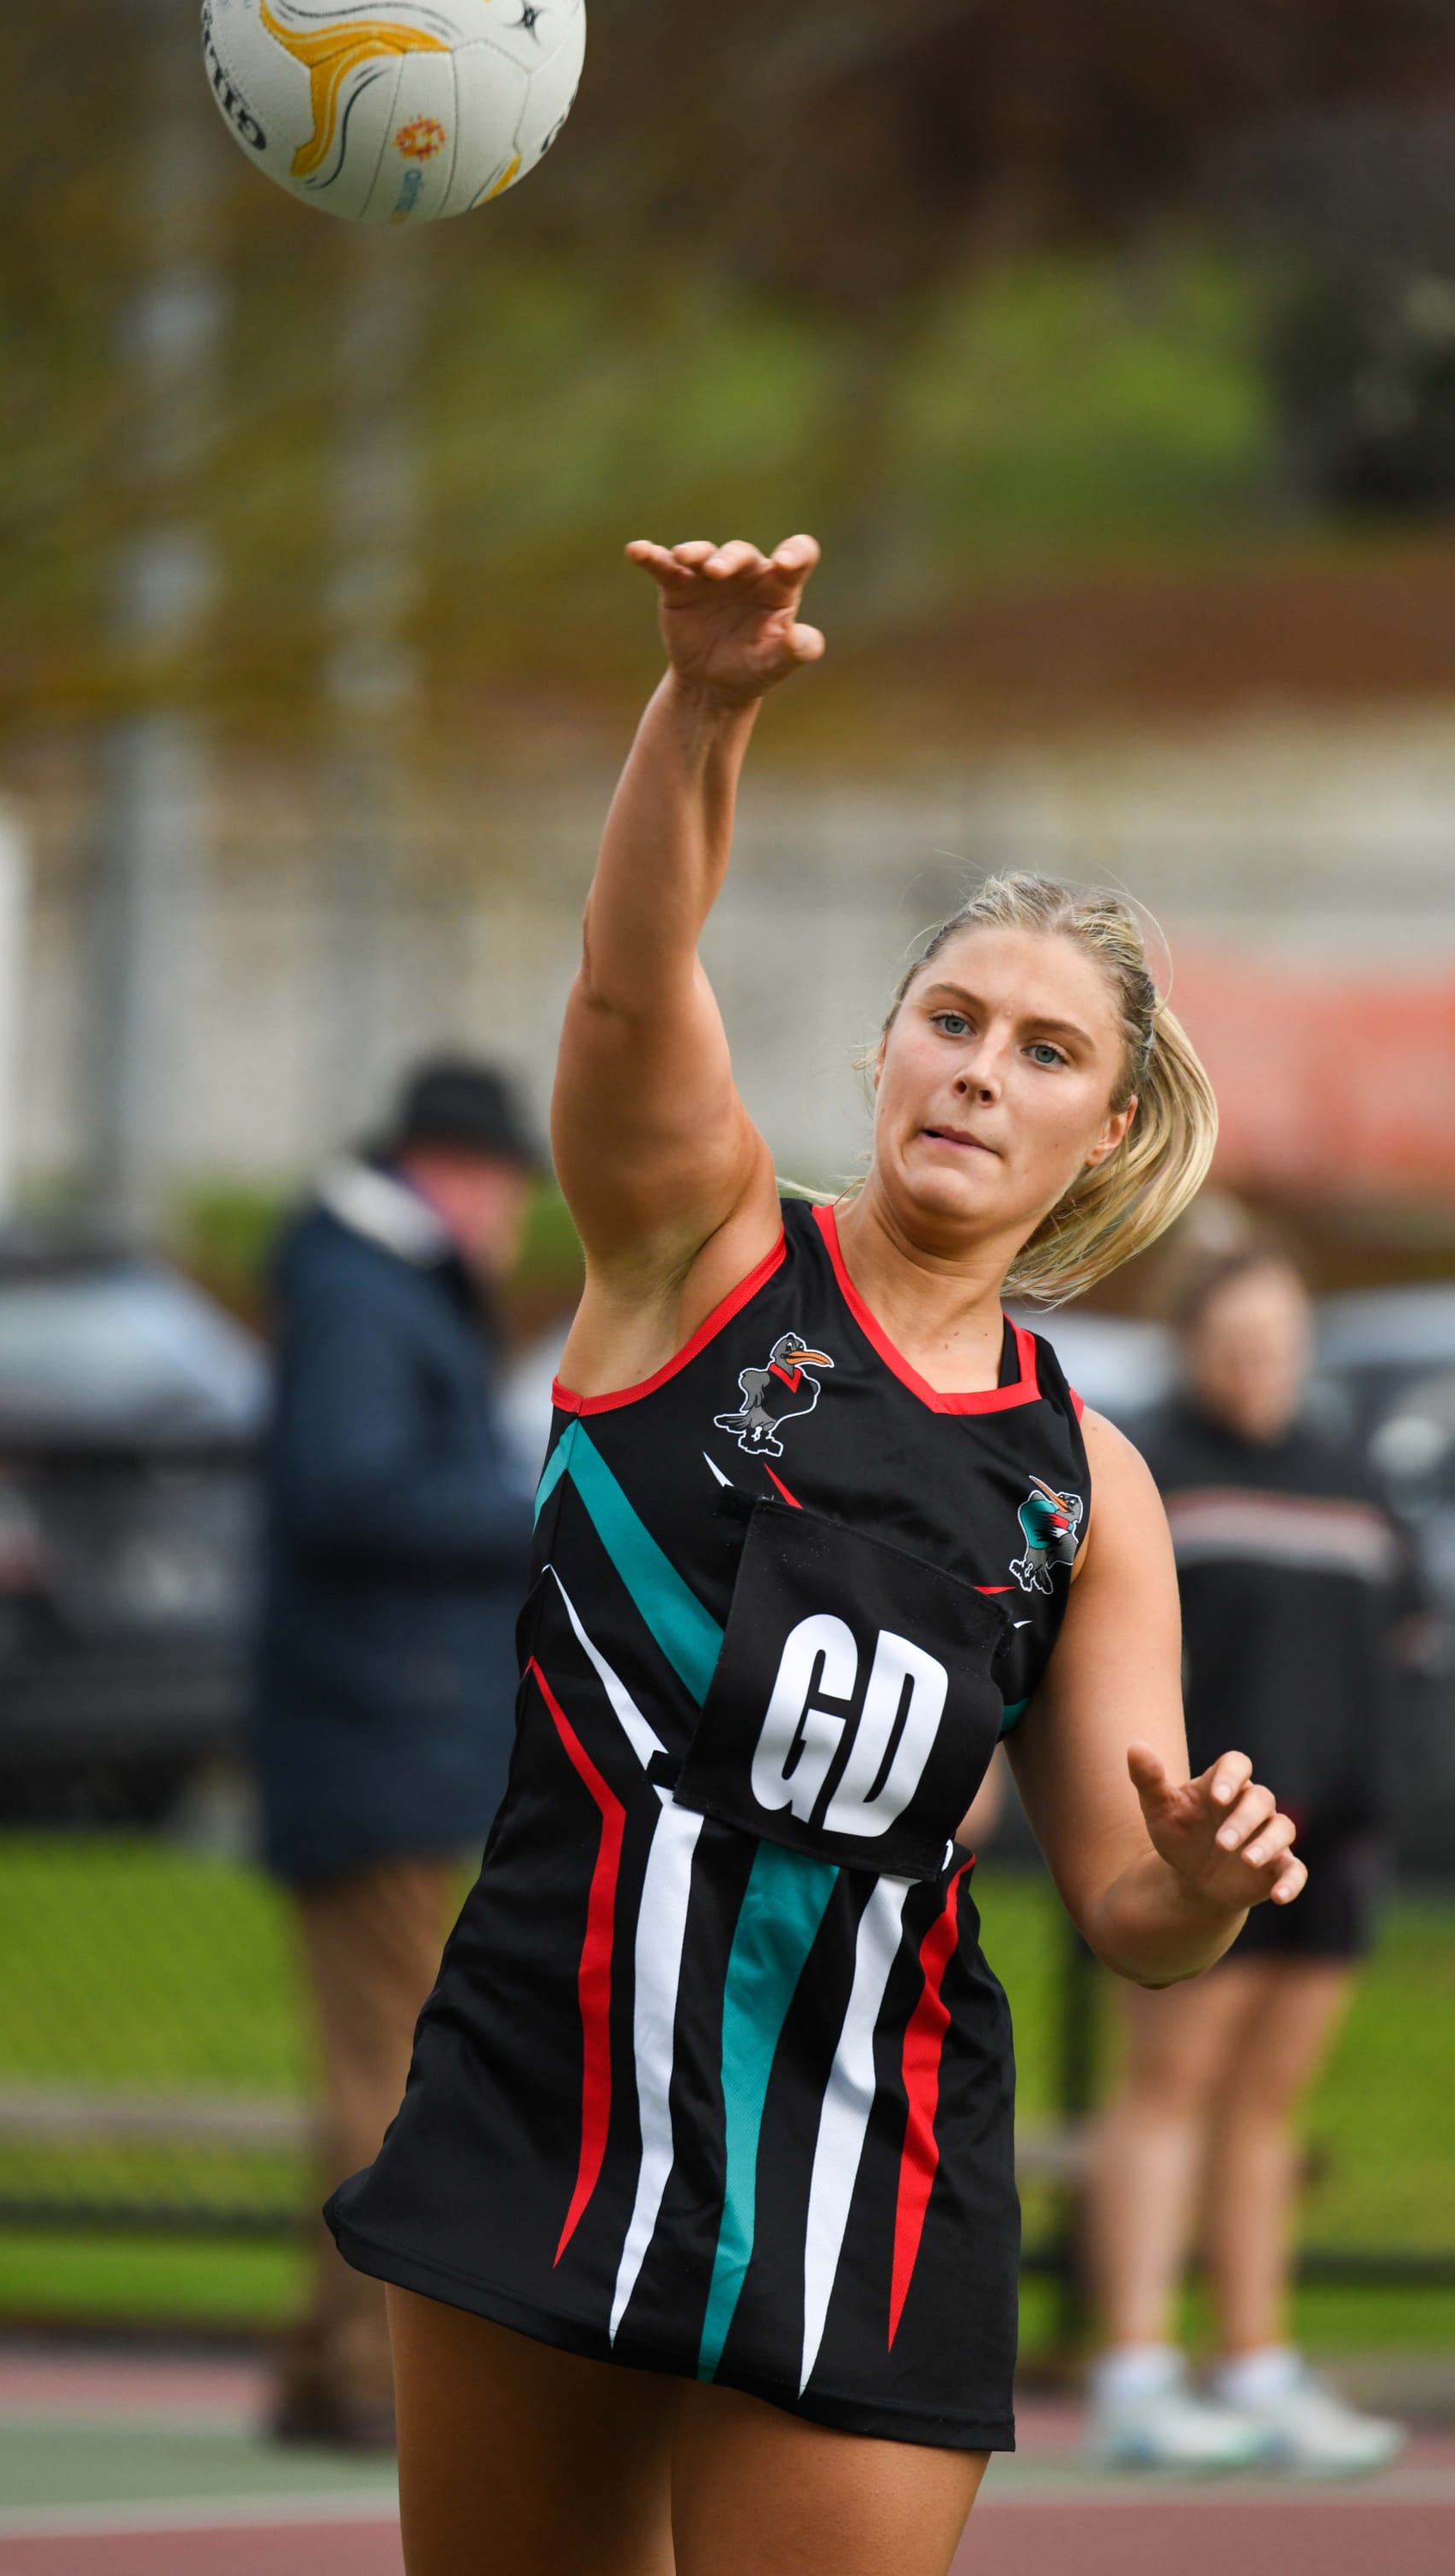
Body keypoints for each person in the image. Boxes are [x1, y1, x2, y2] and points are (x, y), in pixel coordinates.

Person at [326, 534, 1308, 2576]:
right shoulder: (701, 1251)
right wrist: (703, 705)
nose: (980, 1068)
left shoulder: (1082, 1482)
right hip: (555, 2082)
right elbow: (625, 978)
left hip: (873, 2145)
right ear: (883, 1044)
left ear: (1104, 1138)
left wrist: (1202, 1884)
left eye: (1047, 1053)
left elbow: (1129, 1908)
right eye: (952, 1017)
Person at [1085, 1248, 1414, 2475]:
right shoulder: (1153, 1473)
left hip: (1336, 1848)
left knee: (1267, 2107)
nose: (1257, 1363)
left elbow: (1396, 1649)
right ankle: (1132, 2370)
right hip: (1208, 1848)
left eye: (1278, 1340)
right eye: (1235, 1341)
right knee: (1167, 2090)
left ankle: (1257, 2362)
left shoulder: (1352, 1482)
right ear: (1193, 1343)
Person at [252, 1058, 539, 2448]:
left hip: (383, 1725)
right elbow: (351, 1491)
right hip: (383, 1730)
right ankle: (367, 2370)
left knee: (378, 2054)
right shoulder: (369, 1296)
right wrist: (527, 1502)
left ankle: (327, 2361)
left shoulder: (362, 1285)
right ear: (446, 1173)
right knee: (391, 2067)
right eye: (500, 1185)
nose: (512, 1216)